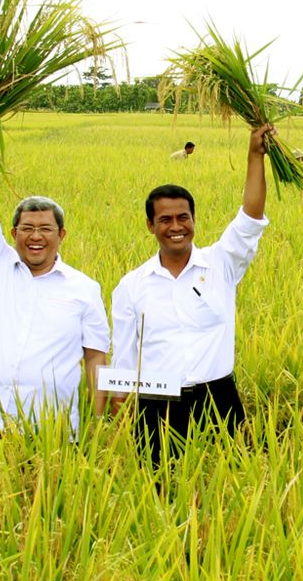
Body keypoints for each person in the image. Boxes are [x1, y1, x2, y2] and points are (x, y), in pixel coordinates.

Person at [111, 125, 273, 464]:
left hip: (218, 398)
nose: (176, 226)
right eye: (165, 219)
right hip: (157, 405)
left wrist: (255, 155)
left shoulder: (221, 264)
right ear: (150, 226)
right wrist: (118, 411)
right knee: (160, 493)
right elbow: (125, 358)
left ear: (194, 220)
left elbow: (250, 218)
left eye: (183, 217)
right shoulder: (131, 285)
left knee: (229, 491)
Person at [0, 116, 109, 432]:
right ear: (13, 233)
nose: (36, 236)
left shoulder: (84, 288)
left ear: (62, 235)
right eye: (27, 228)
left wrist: (100, 424)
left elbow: (95, 358)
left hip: (53, 431)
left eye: (45, 229)